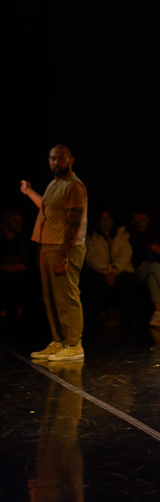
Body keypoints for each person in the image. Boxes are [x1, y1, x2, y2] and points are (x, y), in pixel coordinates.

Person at [20, 144, 88, 362]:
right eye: (51, 158)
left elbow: (74, 221)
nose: (55, 162)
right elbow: (46, 208)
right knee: (52, 297)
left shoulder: (74, 186)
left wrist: (64, 254)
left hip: (64, 247)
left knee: (67, 296)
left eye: (59, 158)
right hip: (48, 245)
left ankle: (74, 345)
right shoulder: (54, 184)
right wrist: (29, 191)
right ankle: (59, 341)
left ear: (70, 160)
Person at [84, 210, 137, 331]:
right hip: (100, 272)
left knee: (126, 281)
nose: (106, 221)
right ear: (97, 222)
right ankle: (94, 322)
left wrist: (114, 270)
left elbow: (125, 254)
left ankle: (133, 321)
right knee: (97, 282)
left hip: (119, 271)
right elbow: (91, 257)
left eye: (108, 218)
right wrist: (107, 271)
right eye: (103, 218)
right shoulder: (91, 238)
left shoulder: (122, 235)